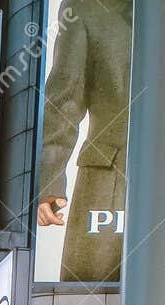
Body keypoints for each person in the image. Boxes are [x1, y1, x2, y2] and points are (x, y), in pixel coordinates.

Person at [37, 0, 131, 285]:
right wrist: (49, 183)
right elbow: (65, 101)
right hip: (108, 179)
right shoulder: (85, 7)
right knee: (86, 297)